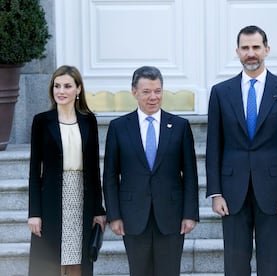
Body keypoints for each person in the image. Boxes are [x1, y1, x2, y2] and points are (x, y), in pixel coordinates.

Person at [205, 25, 277, 276]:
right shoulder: (220, 92)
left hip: (273, 190)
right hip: (231, 191)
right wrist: (215, 192)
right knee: (235, 266)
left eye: (256, 47)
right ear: (237, 51)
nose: (251, 53)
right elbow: (213, 146)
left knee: (271, 264)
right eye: (245, 48)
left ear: (266, 50)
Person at [103, 66, 199, 276]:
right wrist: (114, 215)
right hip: (133, 216)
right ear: (134, 92)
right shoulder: (118, 127)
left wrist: (190, 214)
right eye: (146, 91)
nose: (153, 97)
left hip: (172, 216)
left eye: (157, 91)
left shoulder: (180, 126)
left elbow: (191, 175)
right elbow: (110, 176)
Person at [27, 65, 106, 276]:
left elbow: (94, 169)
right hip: (51, 198)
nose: (61, 91)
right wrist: (34, 213)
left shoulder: (89, 121)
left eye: (67, 86)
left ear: (78, 89)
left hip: (82, 198)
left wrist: (99, 210)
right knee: (49, 263)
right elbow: (34, 170)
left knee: (77, 260)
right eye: (57, 86)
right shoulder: (42, 121)